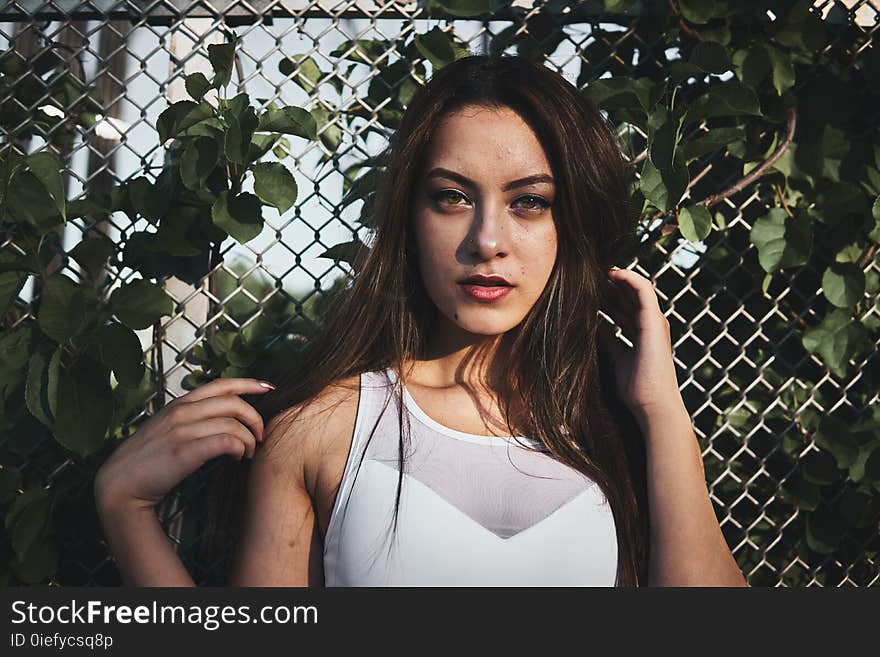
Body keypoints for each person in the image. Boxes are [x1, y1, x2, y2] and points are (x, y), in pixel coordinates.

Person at [94, 54, 747, 587]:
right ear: (410, 219)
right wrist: (126, 506)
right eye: (452, 197)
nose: (487, 239)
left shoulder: (608, 428)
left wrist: (663, 410)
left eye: (529, 202)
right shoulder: (324, 430)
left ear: (569, 223)